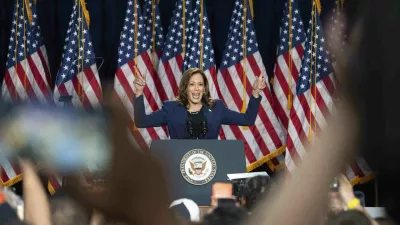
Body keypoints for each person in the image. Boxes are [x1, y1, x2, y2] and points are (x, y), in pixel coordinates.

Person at [133, 68, 267, 139]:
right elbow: (141, 122)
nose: (196, 89)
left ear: (204, 89)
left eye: (200, 85)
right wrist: (139, 93)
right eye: (192, 84)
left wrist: (255, 92)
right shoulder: (171, 108)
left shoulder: (216, 108)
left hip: (210, 167)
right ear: (185, 88)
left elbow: (247, 120)